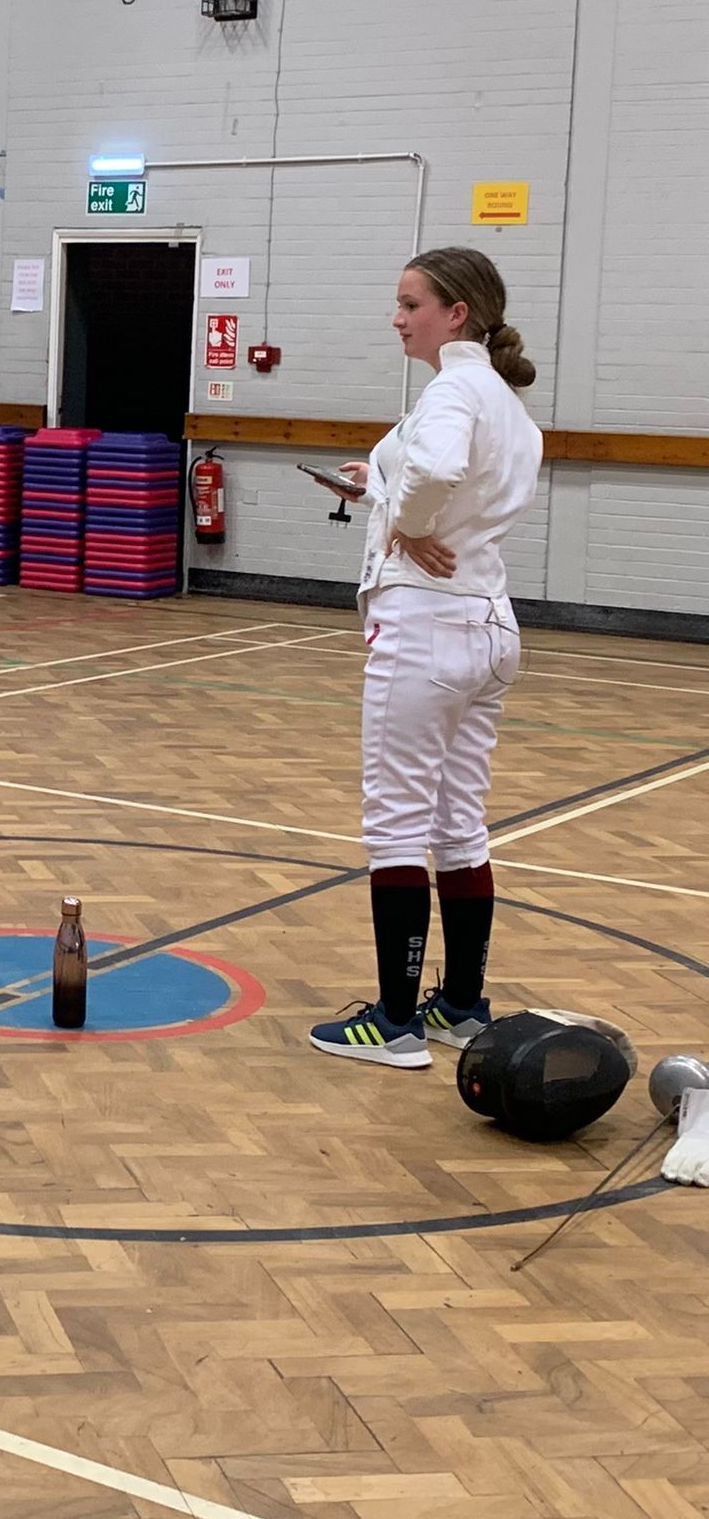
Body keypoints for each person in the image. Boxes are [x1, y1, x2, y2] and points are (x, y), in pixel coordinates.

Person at [309, 246, 544, 1067]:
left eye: (412, 303)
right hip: (487, 625)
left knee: (397, 819)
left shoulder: (453, 388)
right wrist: (378, 492)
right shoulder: (508, 406)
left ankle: (397, 1022)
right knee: (458, 823)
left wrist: (405, 521)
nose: (398, 317)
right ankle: (462, 1005)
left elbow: (439, 472)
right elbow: (446, 482)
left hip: (427, 626)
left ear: (458, 313)